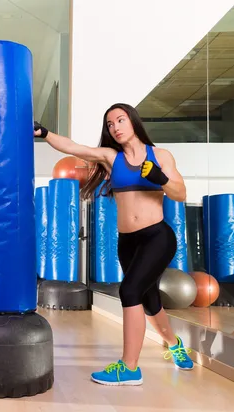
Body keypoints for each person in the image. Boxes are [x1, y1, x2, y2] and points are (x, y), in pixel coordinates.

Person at [34, 103, 194, 386]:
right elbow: (74, 147)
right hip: (128, 241)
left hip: (157, 237)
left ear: (133, 122)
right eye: (110, 124)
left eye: (120, 120)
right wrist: (45, 133)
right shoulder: (111, 157)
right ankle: (174, 343)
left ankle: (129, 367)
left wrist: (161, 178)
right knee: (149, 298)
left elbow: (180, 194)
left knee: (129, 290)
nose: (116, 127)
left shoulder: (160, 156)